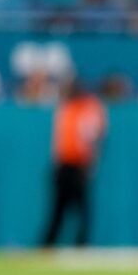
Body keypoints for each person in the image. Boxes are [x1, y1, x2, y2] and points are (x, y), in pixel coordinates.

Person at [43, 79, 106, 247]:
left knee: (82, 209)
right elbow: (59, 141)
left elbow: (94, 137)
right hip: (64, 165)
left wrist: (90, 164)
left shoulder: (88, 107)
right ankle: (48, 244)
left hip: (79, 165)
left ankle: (81, 243)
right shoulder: (66, 108)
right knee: (59, 209)